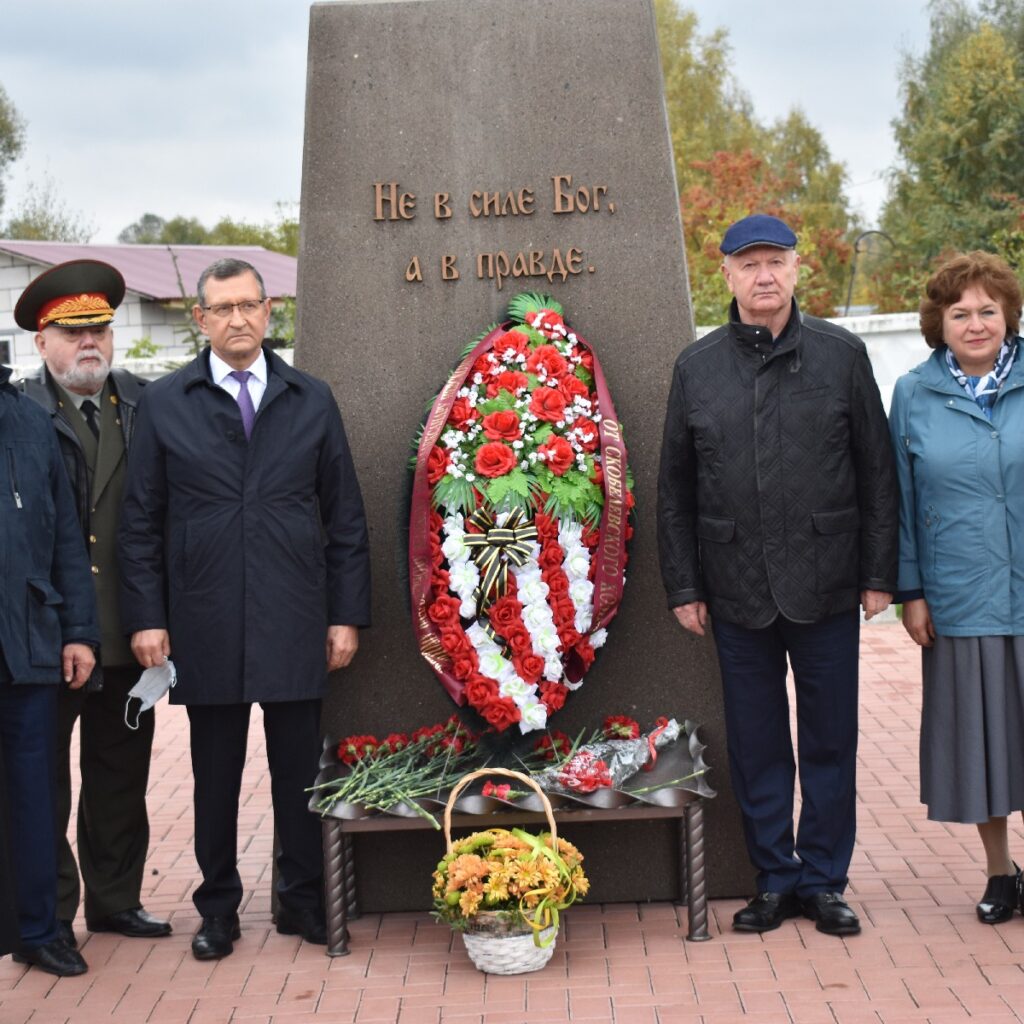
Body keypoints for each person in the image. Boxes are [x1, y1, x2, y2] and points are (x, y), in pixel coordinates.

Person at [118, 257, 371, 961]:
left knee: (301, 772)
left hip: (295, 613)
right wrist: (147, 617)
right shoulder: (166, 403)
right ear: (199, 319)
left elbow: (345, 517)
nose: (237, 319)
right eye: (222, 308)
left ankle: (302, 899)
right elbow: (139, 522)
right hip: (204, 618)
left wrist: (345, 615)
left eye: (249, 305)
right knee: (215, 774)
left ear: (269, 312)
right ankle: (218, 909)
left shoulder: (309, 398)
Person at [657, 213, 898, 936]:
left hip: (827, 582)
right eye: (749, 264)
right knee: (758, 740)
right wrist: (685, 585)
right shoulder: (696, 369)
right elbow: (676, 487)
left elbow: (877, 473)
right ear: (725, 275)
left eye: (777, 262)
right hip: (735, 588)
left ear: (797, 270)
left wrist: (878, 572)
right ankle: (775, 877)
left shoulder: (841, 354)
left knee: (830, 737)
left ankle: (823, 879)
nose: (765, 276)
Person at [14, 260, 169, 949]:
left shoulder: (143, 404)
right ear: (40, 341)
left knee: (119, 777)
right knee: (40, 785)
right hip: (45, 633)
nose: (90, 342)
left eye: (100, 329)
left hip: (128, 628)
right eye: (72, 331)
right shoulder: (19, 413)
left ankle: (116, 900)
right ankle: (49, 915)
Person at [890, 250, 1024, 924]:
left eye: (988, 311)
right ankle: (1002, 873)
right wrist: (911, 590)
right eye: (960, 312)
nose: (976, 324)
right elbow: (903, 502)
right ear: (938, 323)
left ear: (1009, 316)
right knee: (982, 742)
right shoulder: (914, 394)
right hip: (959, 595)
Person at [0, 359, 99, 976]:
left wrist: (80, 634)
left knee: (33, 798)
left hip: (28, 640)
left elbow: (68, 536)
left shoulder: (32, 423)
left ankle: (38, 931)